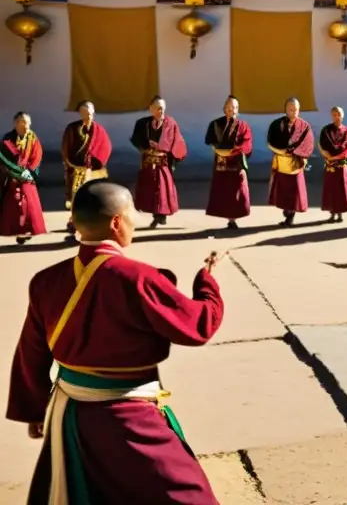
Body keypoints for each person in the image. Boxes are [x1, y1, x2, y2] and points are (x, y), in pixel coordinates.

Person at [6, 179, 223, 503]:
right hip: (129, 415)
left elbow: (31, 352)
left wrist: (35, 410)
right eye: (132, 211)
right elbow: (198, 326)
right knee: (187, 495)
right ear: (116, 222)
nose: (135, 219)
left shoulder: (45, 281)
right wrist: (207, 284)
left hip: (71, 416)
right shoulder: (139, 278)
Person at [130, 96, 187, 229]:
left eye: (163, 108)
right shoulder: (143, 124)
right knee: (149, 189)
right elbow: (136, 140)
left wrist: (175, 158)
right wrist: (145, 147)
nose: (161, 111)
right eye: (158, 108)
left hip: (163, 162)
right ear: (151, 109)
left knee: (162, 189)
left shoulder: (170, 123)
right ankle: (155, 214)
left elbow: (177, 141)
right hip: (148, 162)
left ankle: (160, 216)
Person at [60, 100, 112, 238]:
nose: (87, 115)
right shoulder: (72, 128)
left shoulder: (99, 130)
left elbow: (105, 147)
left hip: (92, 172)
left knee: (91, 199)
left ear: (93, 112)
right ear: (80, 113)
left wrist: (94, 165)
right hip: (75, 170)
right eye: (84, 112)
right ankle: (74, 224)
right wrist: (69, 164)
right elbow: (65, 147)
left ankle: (91, 225)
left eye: (89, 112)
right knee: (75, 198)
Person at [205, 95, 253, 230]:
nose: (233, 110)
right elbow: (210, 141)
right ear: (224, 109)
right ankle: (229, 218)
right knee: (224, 191)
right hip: (222, 163)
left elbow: (247, 144)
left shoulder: (243, 126)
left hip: (236, 163)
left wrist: (232, 151)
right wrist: (218, 149)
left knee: (238, 190)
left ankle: (233, 219)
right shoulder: (215, 124)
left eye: (235, 107)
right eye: (230, 107)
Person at [267, 97, 315, 227]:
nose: (293, 112)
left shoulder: (304, 126)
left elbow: (308, 144)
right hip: (281, 162)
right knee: (283, 190)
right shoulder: (277, 124)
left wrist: (297, 153)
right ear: (285, 110)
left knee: (294, 191)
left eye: (296, 109)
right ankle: (286, 211)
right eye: (290, 109)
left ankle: (290, 216)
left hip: (295, 163)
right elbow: (270, 142)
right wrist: (280, 151)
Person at [1, 112, 46, 245]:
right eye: (23, 122)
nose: (27, 125)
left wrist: (29, 171)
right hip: (12, 177)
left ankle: (27, 231)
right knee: (13, 204)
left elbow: (37, 155)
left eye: (28, 122)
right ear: (16, 124)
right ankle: (14, 230)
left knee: (29, 204)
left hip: (27, 176)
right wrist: (18, 172)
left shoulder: (33, 138)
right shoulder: (7, 139)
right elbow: (4, 159)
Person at [319, 106, 347, 223]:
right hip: (330, 164)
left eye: (338, 114)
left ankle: (340, 214)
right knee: (331, 190)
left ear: (342, 115)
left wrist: (340, 158)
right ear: (331, 116)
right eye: (334, 114)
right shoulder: (326, 130)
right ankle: (332, 213)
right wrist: (327, 156)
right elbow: (321, 144)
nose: (336, 117)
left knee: (342, 190)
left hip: (342, 164)